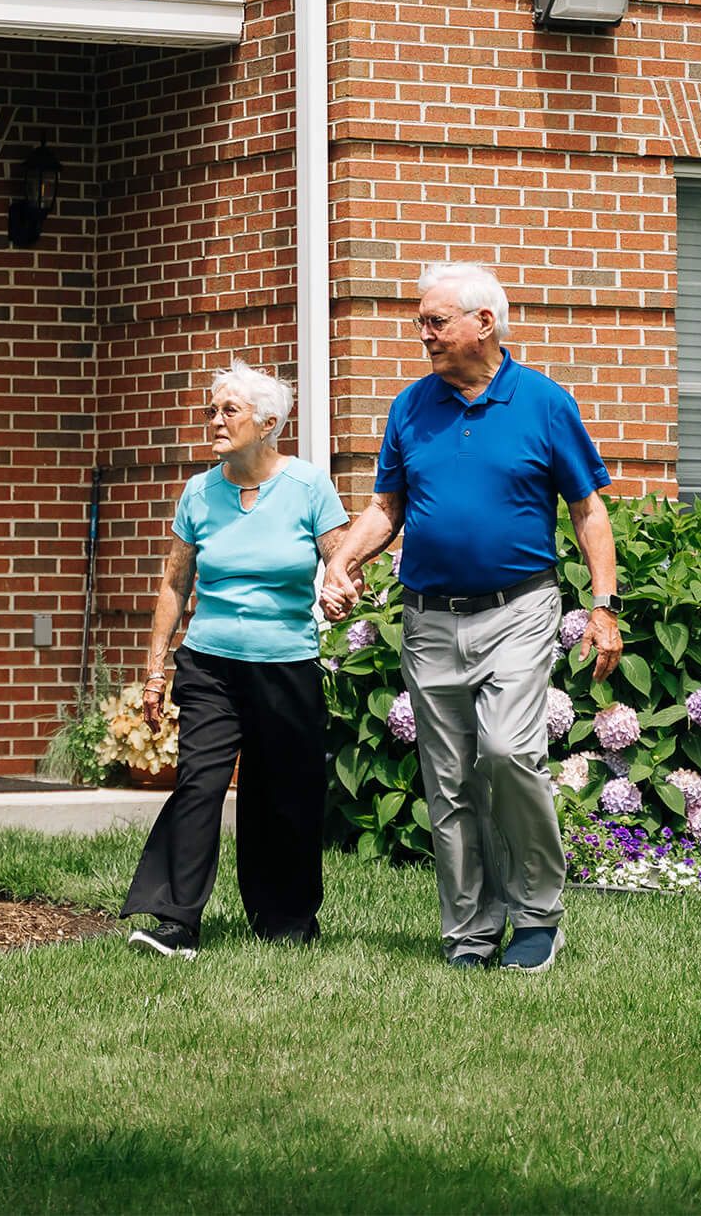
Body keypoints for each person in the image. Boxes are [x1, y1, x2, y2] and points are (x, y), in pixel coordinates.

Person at [322, 262, 622, 974]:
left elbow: (589, 510)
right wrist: (345, 562)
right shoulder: (411, 407)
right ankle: (470, 931)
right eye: (421, 321)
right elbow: (387, 507)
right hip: (428, 617)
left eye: (436, 321)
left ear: (484, 323)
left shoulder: (543, 403)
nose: (421, 333)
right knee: (449, 778)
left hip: (518, 608)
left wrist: (603, 607)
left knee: (509, 752)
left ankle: (538, 916)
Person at [122, 358, 350, 959]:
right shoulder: (199, 491)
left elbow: (339, 559)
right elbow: (175, 584)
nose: (215, 421)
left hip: (286, 664)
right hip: (210, 664)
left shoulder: (307, 487)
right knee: (199, 783)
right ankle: (175, 921)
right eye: (212, 411)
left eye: (229, 411)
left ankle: (285, 921)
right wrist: (155, 668)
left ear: (268, 421)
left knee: (284, 793)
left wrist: (341, 585)